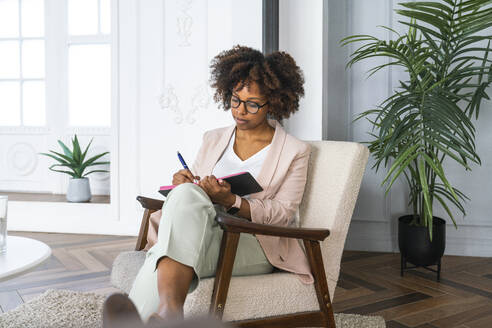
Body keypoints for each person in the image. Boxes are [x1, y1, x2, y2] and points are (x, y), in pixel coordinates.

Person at [118, 45, 314, 325]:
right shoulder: (213, 138)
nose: (240, 111)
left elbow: (283, 213)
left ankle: (145, 318)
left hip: (252, 242)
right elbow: (193, 192)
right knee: (185, 195)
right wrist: (182, 183)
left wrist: (231, 201)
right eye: (235, 100)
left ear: (273, 102)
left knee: (164, 253)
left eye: (252, 103)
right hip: (201, 231)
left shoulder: (295, 151)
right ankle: (170, 312)